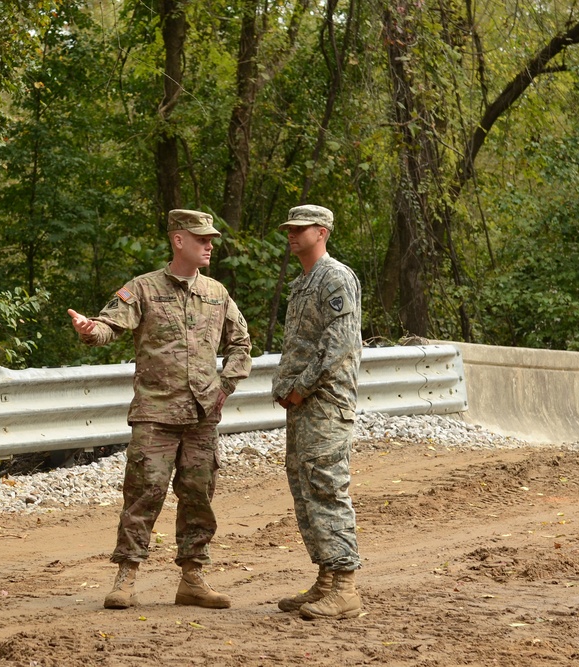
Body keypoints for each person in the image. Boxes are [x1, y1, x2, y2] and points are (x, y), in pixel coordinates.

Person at [67, 209, 252, 610]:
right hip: (155, 413)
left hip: (202, 416)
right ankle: (126, 576)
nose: (209, 246)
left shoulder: (217, 293)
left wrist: (224, 387)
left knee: (198, 496)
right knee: (144, 494)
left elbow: (241, 343)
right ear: (178, 240)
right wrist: (89, 330)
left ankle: (193, 577)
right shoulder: (144, 289)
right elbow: (108, 326)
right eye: (201, 238)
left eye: (211, 240)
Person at [271, 204, 364, 620]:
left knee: (326, 487)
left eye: (300, 228)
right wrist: (287, 389)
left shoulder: (335, 277)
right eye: (290, 228)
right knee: (305, 488)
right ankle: (327, 580)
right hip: (304, 405)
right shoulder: (303, 283)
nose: (292, 234)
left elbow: (338, 345)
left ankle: (345, 588)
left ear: (322, 231)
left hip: (325, 403)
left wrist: (299, 388)